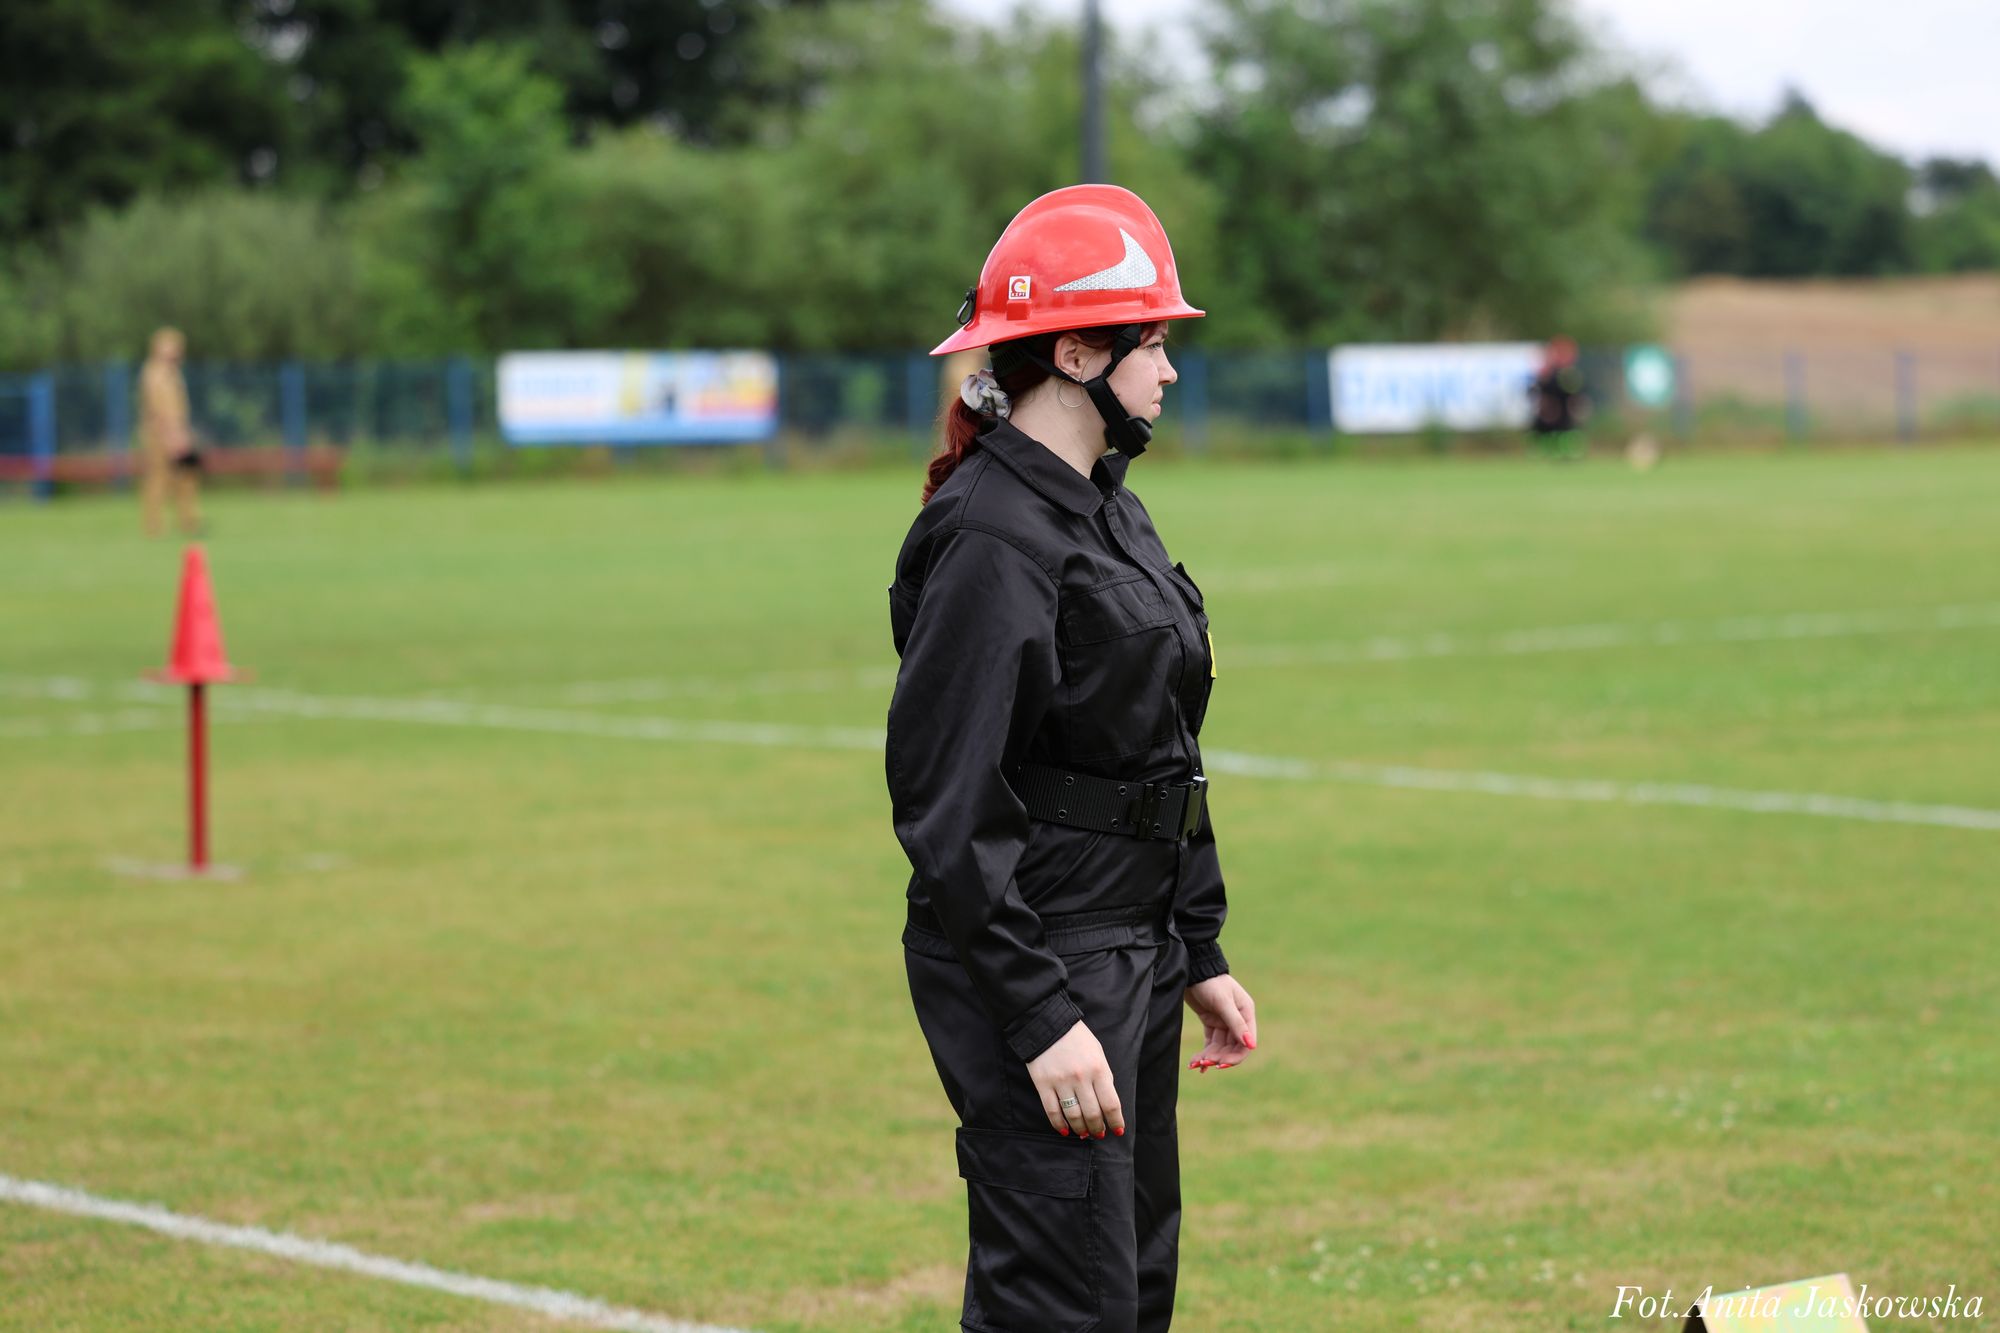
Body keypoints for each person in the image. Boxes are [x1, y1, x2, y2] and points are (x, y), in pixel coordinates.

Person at [885, 184, 1259, 1332]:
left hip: (1128, 949)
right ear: (1076, 348)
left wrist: (1192, 945)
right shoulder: (992, 537)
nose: (1168, 368)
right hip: (1042, 955)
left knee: (1130, 1284)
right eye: (1152, 340)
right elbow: (950, 810)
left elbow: (1158, 750)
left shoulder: (1107, 507)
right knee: (1059, 1298)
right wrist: (1038, 1016)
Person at [138, 327, 204, 536]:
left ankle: (188, 520)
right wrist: (172, 435)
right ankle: (154, 525)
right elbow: (157, 410)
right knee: (159, 478)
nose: (176, 352)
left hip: (177, 431)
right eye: (171, 347)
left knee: (186, 476)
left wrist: (183, 431)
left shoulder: (173, 373)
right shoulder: (155, 374)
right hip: (161, 434)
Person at [1528, 335, 1591, 461]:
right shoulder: (1547, 375)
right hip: (1551, 408)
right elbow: (1538, 390)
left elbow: (1576, 392)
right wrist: (1546, 405)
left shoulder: (1570, 374)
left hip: (1565, 408)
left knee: (1568, 428)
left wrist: (1578, 404)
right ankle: (1547, 452)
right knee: (1543, 428)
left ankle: (1569, 452)